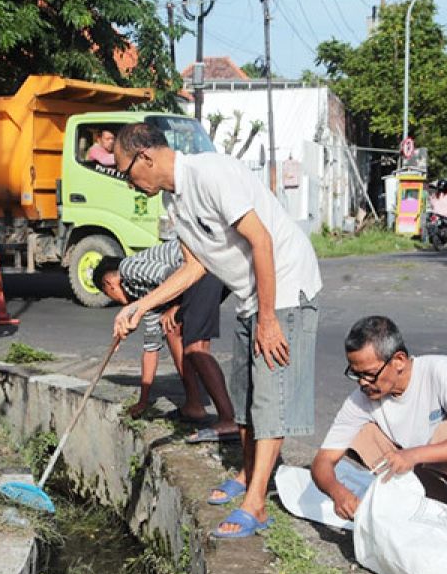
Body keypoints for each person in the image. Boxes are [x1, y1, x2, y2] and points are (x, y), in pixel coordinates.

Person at [110, 122, 323, 538]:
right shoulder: (176, 202)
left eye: (126, 172)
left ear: (146, 156)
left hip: (285, 283)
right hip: (251, 292)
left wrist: (267, 318)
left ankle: (257, 503)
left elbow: (261, 241)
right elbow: (194, 267)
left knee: (270, 397)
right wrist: (142, 305)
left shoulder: (212, 174)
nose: (129, 183)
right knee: (244, 400)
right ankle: (247, 475)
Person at [310, 316, 447, 527]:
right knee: (364, 435)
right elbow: (322, 462)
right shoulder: (361, 400)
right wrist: (337, 492)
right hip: (446, 484)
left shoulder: (440, 371)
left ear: (398, 361)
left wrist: (413, 455)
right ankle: (445, 512)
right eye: (355, 375)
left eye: (369, 374)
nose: (363, 383)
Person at [93, 244, 238, 442]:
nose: (118, 302)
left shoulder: (128, 268)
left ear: (108, 283)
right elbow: (151, 347)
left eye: (109, 295)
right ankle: (194, 405)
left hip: (203, 264)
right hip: (203, 269)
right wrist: (143, 401)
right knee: (172, 329)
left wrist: (177, 307)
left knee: (196, 347)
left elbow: (174, 274)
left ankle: (228, 419)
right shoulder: (145, 295)